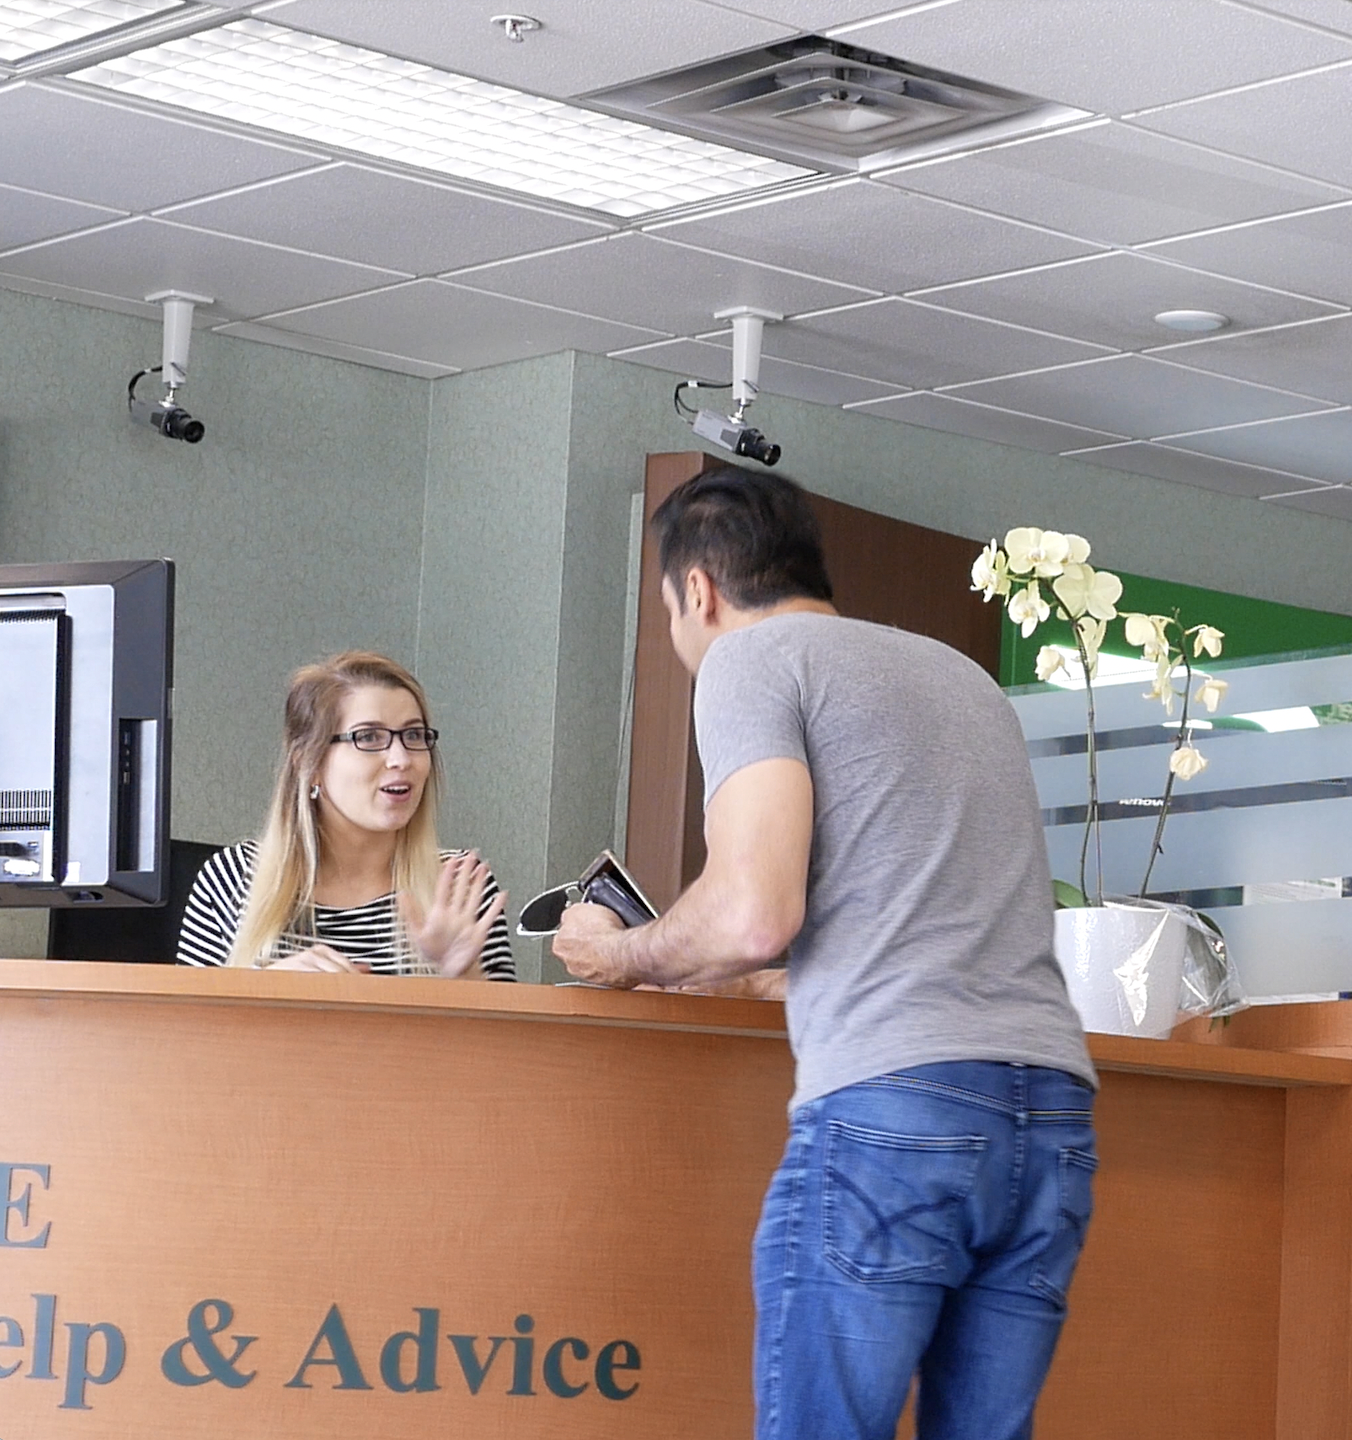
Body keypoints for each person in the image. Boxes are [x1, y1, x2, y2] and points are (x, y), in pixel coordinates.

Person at [553, 464, 1096, 1440]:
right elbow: (903, 916)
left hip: (895, 1112)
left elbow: (754, 911)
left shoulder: (749, 662)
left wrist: (620, 954)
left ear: (696, 590)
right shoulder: (957, 676)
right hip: (1047, 1118)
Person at [178, 650, 513, 979]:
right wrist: (264, 991)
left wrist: (464, 975)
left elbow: (507, 1036)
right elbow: (180, 1031)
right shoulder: (232, 878)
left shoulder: (459, 886)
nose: (401, 759)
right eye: (368, 737)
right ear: (309, 763)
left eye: (413, 735)